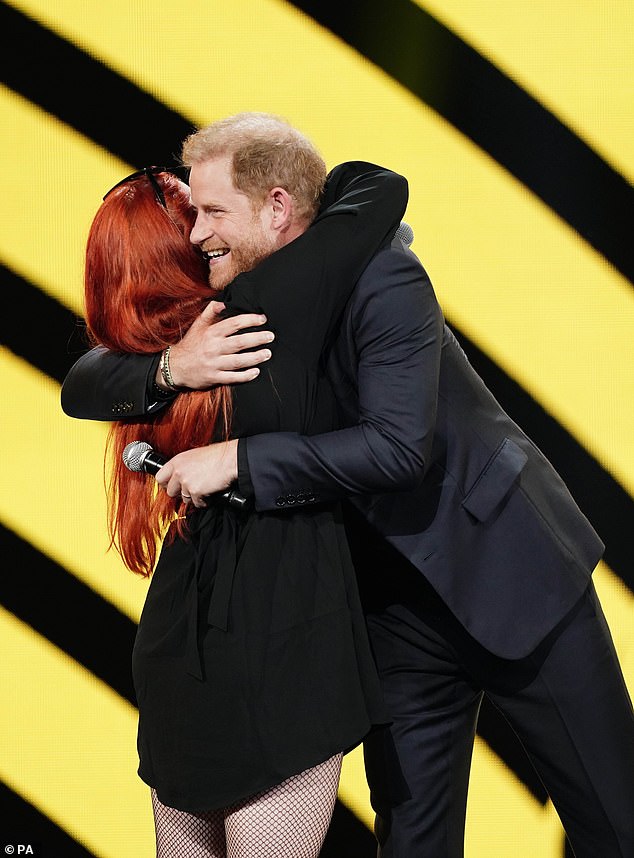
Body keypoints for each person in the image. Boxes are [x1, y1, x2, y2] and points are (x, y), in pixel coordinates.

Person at [62, 122, 634, 857]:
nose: (195, 235)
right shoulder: (233, 313)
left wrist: (241, 459)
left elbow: (398, 447)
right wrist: (172, 367)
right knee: (413, 842)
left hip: (509, 573)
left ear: (275, 208)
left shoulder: (381, 277)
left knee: (615, 823)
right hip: (388, 613)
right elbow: (87, 380)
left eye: (211, 214)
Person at [68, 113, 410, 858]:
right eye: (192, 216)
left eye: (209, 212)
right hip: (288, 633)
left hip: (177, 641)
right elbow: (382, 190)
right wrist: (280, 175)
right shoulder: (267, 306)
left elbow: (80, 383)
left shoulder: (147, 357)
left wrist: (165, 369)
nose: (201, 233)